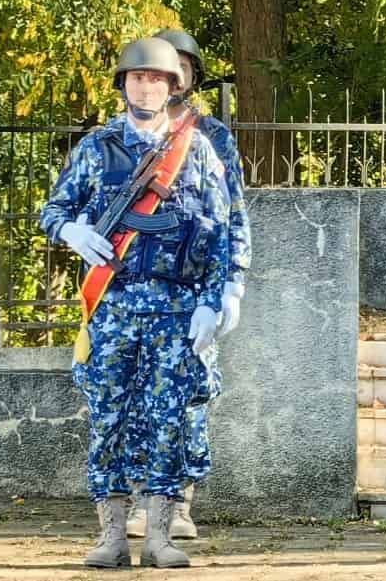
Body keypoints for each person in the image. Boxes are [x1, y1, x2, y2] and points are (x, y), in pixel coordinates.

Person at [40, 37, 232, 569]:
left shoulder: (196, 150)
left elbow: (221, 232)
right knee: (110, 419)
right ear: (123, 84)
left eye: (157, 79)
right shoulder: (96, 148)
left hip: (175, 308)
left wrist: (214, 302)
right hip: (115, 306)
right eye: (136, 77)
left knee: (168, 421)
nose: (146, 86)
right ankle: (110, 535)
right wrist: (72, 231)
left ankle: (161, 536)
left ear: (174, 86)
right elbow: (52, 209)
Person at [124, 28, 252, 539]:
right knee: (133, 396)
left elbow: (232, 211)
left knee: (190, 397)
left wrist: (233, 281)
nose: (166, 77)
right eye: (155, 68)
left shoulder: (211, 134)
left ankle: (178, 503)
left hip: (193, 286)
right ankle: (139, 499)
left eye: (177, 67)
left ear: (190, 76)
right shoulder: (123, 133)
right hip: (132, 284)